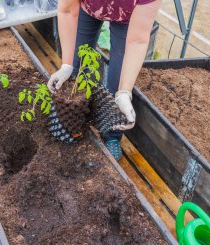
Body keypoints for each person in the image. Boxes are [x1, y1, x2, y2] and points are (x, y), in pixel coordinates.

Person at [48, 0, 161, 160]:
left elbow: (137, 40)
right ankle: (72, 122)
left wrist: (124, 92)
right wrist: (66, 65)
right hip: (88, 7)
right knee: (76, 67)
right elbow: (67, 11)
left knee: (117, 85)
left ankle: (112, 135)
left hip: (126, 18)